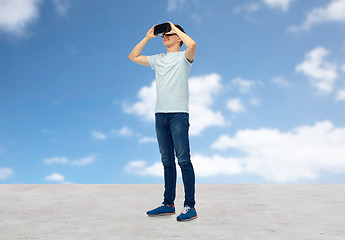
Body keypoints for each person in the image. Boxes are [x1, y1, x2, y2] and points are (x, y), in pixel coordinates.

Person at [128, 21, 197, 221]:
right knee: (167, 162)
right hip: (161, 115)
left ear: (178, 38)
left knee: (183, 160)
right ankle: (168, 204)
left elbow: (192, 45)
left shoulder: (184, 58)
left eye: (168, 34)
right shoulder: (158, 59)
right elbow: (133, 56)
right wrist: (148, 37)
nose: (164, 36)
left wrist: (174, 27)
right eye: (163, 35)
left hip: (179, 115)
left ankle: (190, 206)